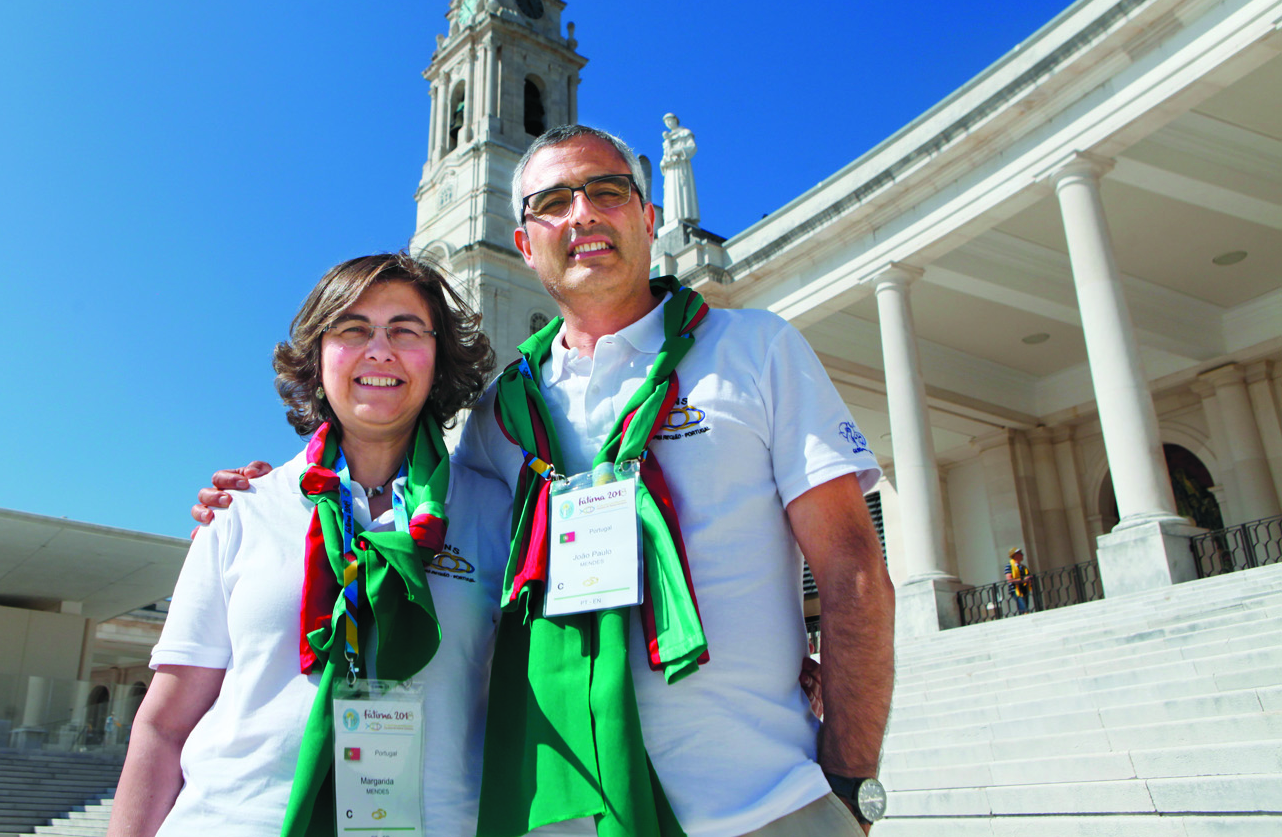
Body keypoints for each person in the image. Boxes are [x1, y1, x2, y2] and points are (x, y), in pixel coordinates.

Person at [201, 125, 895, 836]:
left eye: (606, 191)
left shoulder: (754, 349)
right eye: (553, 202)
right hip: (559, 814)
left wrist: (848, 775)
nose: (582, 215)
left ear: (648, 217)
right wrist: (283, 490)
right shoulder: (495, 417)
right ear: (524, 244)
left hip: (761, 803)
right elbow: (414, 532)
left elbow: (852, 571)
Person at [109, 253, 508, 837]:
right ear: (317, 357)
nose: (379, 350)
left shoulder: (498, 516)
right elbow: (163, 726)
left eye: (406, 330)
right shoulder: (241, 511)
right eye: (352, 329)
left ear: (439, 356)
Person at [1004, 546, 1035, 614]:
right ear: (1015, 555)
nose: (1022, 555)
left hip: (1024, 588)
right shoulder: (1009, 566)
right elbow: (1009, 579)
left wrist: (1029, 578)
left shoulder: (1023, 567)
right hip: (1016, 589)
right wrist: (1023, 581)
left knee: (1025, 606)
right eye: (1020, 553)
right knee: (1023, 607)